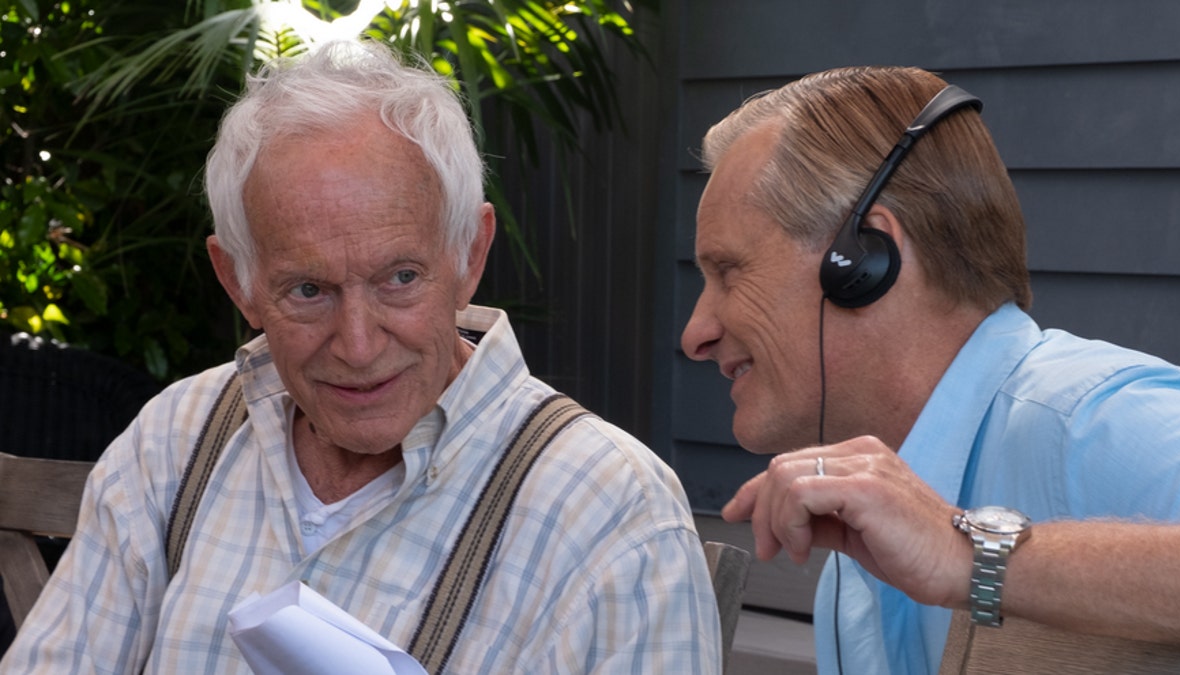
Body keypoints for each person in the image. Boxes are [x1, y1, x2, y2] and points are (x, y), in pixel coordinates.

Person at [1, 40, 720, 674]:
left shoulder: (611, 513)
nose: (359, 344)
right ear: (239, 282)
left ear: (469, 254)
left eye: (399, 278)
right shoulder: (177, 440)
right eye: (308, 289)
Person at [681, 64, 1180, 673]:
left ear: (863, 263)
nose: (696, 334)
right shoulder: (860, 555)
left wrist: (971, 555)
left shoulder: (1091, 422)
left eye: (730, 272)